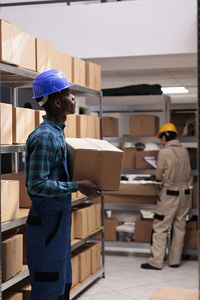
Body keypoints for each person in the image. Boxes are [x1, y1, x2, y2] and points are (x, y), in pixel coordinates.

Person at [25, 70, 100, 300]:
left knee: (61, 289)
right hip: (48, 227)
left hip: (58, 225)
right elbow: (36, 185)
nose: (73, 98)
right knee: (48, 289)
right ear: (57, 102)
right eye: (69, 93)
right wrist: (76, 185)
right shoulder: (46, 136)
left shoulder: (57, 134)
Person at [141, 123, 192, 270]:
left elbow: (158, 175)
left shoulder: (164, 152)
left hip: (170, 195)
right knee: (179, 227)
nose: (161, 141)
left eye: (161, 138)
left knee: (160, 226)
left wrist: (158, 171)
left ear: (164, 137)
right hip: (185, 194)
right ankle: (174, 261)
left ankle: (156, 262)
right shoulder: (185, 151)